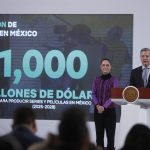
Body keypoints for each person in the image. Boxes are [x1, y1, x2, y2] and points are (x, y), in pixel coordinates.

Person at [92, 58, 119, 150]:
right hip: (98, 112)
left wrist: (104, 106)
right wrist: (97, 105)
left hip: (110, 113)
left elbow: (114, 96)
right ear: (100, 67)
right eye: (103, 65)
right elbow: (93, 94)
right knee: (99, 138)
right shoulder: (96, 79)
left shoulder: (114, 80)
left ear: (110, 67)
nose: (105, 67)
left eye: (107, 65)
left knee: (110, 139)